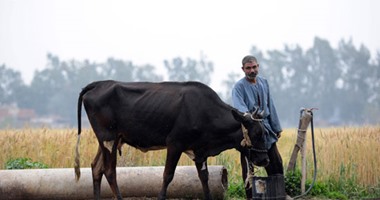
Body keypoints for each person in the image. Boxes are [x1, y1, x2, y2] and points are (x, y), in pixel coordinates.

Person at [232, 55, 284, 176]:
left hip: (266, 128)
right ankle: (251, 194)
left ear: (258, 66)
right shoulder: (239, 87)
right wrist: (252, 120)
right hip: (251, 132)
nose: (252, 70)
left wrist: (276, 127)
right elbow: (240, 109)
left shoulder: (264, 82)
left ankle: (279, 192)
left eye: (254, 67)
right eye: (248, 68)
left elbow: (270, 104)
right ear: (243, 69)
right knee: (249, 165)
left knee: (276, 162)